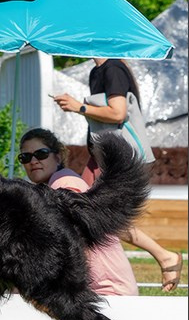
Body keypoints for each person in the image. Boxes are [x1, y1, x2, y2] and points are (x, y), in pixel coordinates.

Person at [53, 58, 183, 292]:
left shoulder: (113, 68)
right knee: (90, 216)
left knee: (98, 216)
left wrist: (78, 107)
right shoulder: (98, 71)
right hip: (101, 157)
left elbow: (117, 112)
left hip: (115, 160)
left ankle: (163, 257)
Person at [18, 128, 138, 298]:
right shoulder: (54, 187)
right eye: (26, 157)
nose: (33, 161)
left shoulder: (65, 183)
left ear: (58, 156)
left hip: (107, 291)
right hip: (99, 290)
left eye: (41, 153)